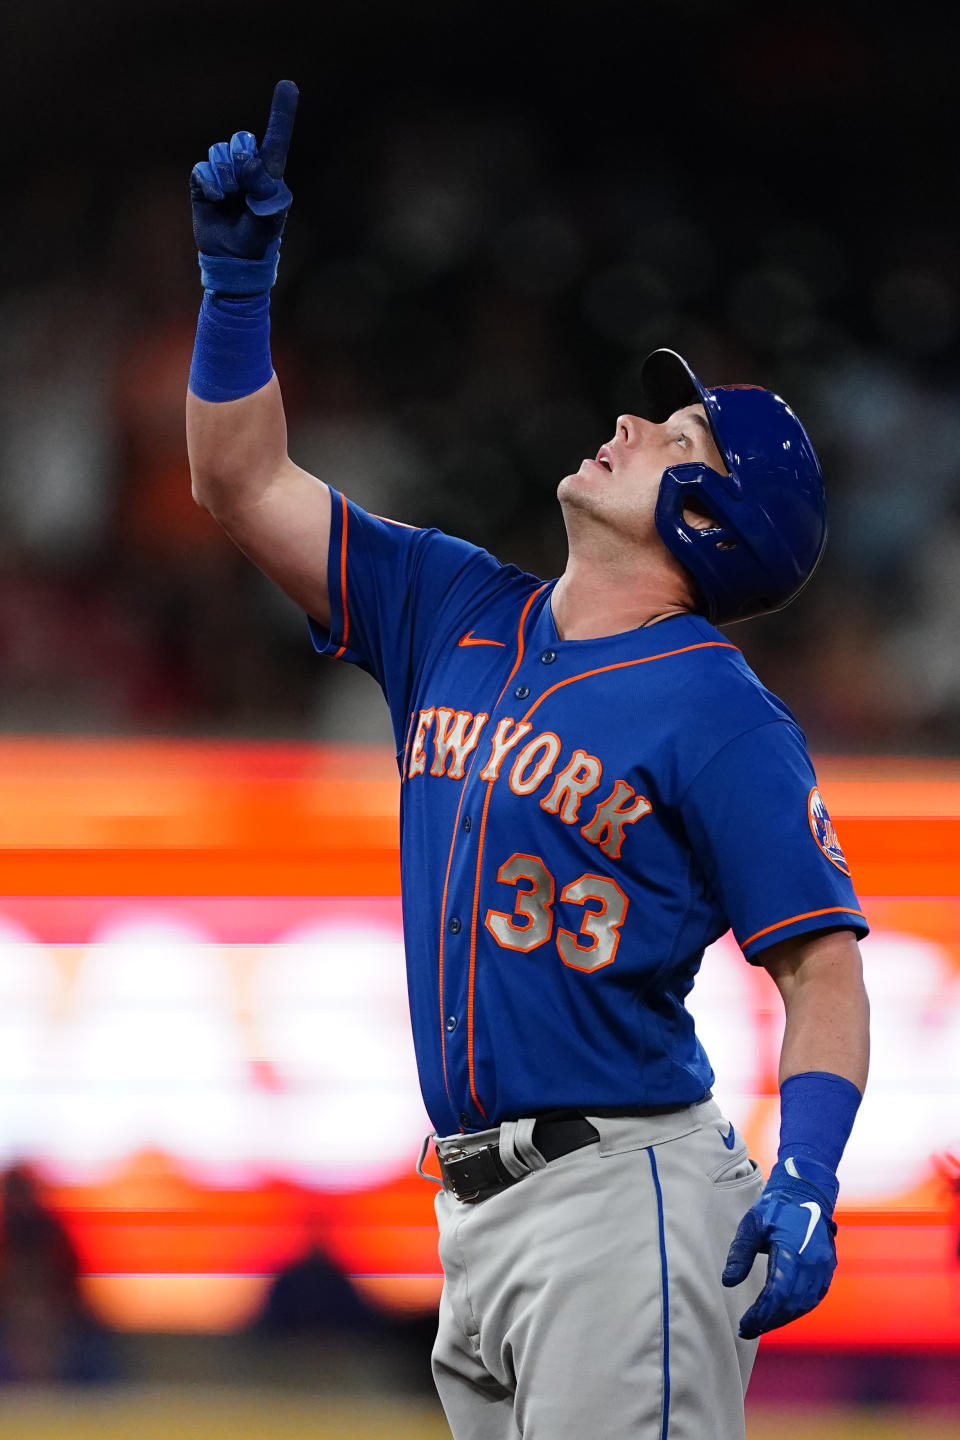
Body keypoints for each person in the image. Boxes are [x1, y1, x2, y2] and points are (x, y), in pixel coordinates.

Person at [186, 81, 871, 1440]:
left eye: (673, 439)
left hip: (627, 1195)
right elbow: (241, 482)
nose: (629, 427)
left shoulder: (717, 712)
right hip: (478, 1213)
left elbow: (824, 965)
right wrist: (237, 283)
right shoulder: (451, 603)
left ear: (708, 515)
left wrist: (811, 1172)